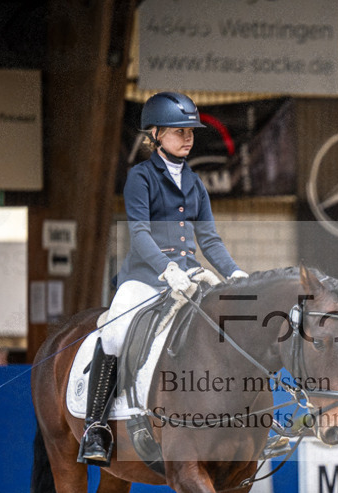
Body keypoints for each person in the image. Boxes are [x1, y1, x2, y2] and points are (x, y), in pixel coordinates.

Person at [79, 91, 248, 466]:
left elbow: (209, 239)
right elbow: (139, 234)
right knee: (114, 333)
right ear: (155, 134)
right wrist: (166, 269)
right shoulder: (140, 178)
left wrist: (234, 273)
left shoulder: (195, 182)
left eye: (191, 131)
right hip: (145, 278)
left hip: (189, 278)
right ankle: (96, 427)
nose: (188, 137)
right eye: (178, 131)